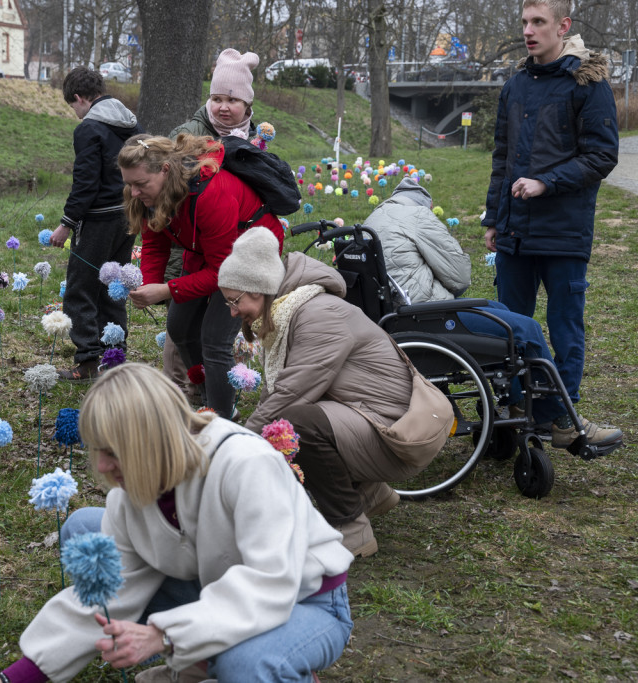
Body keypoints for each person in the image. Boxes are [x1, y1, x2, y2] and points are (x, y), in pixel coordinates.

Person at [0, 363, 354, 683]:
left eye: (113, 451)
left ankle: (252, 663)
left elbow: (270, 582)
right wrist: (7, 680)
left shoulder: (246, 464)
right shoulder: (131, 495)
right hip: (218, 588)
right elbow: (104, 598)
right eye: (97, 451)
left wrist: (165, 635)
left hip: (305, 599)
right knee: (87, 529)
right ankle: (204, 660)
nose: (101, 466)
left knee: (247, 663)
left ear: (151, 441)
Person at [218, 228, 450, 557]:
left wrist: (234, 443)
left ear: (260, 289)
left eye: (234, 300)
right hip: (373, 418)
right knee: (293, 418)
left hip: (398, 435)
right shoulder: (288, 312)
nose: (232, 311)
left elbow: (290, 394)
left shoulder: (318, 314)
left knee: (292, 424)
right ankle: (370, 495)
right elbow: (280, 390)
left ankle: (351, 530)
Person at [368, 177, 623, 448]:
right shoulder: (417, 216)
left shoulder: (374, 220)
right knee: (526, 330)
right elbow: (460, 277)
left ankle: (517, 404)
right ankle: (561, 421)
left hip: (396, 321)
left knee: (499, 310)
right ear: (426, 203)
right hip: (429, 319)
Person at [482, 0, 618, 447]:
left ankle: (561, 419)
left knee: (565, 329)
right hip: (515, 234)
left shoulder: (587, 83)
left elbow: (602, 156)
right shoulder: (515, 85)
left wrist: (547, 182)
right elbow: (502, 158)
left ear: (563, 26)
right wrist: (493, 218)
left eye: (538, 22)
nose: (528, 30)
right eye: (524, 22)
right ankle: (514, 413)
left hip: (563, 233)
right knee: (508, 330)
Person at [122, 134, 285, 417]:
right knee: (179, 327)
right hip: (205, 249)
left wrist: (167, 290)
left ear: (164, 170)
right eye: (129, 184)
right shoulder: (150, 194)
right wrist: (149, 284)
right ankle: (208, 393)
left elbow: (220, 272)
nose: (134, 192)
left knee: (214, 338)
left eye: (141, 184)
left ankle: (222, 416)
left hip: (250, 252)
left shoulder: (211, 193)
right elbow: (155, 244)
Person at [162, 48, 260, 401]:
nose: (223, 107)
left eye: (232, 100)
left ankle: (216, 402)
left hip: (238, 246)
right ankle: (188, 391)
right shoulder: (189, 134)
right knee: (181, 329)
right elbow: (165, 190)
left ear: (247, 105)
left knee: (215, 334)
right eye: (217, 98)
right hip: (193, 247)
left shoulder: (254, 139)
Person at [48, 66, 142, 382]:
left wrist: (66, 223)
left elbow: (86, 184)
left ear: (79, 98)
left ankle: (88, 360)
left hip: (98, 219)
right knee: (113, 287)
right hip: (128, 214)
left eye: (73, 106)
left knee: (80, 289)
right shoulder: (131, 122)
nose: (76, 114)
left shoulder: (89, 129)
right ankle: (115, 355)